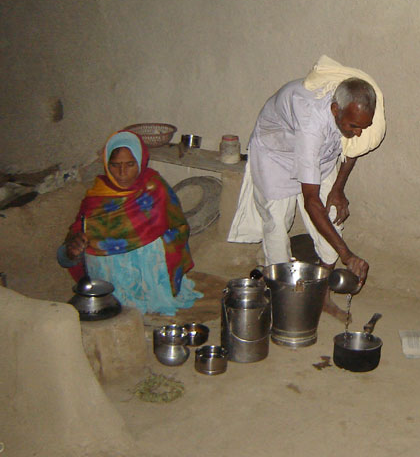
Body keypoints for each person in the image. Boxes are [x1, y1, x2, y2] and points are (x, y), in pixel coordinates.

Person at [227, 55, 386, 321]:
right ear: (335, 110)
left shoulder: (363, 113)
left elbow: (355, 147)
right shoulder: (311, 123)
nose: (359, 132)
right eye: (353, 126)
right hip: (276, 152)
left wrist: (338, 189)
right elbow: (311, 202)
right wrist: (348, 255)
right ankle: (282, 299)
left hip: (318, 153)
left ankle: (322, 297)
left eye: (363, 127)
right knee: (277, 223)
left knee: (332, 218)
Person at [57, 130, 202, 316]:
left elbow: (179, 227)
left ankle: (147, 295)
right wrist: (73, 250)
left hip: (152, 283)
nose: (122, 173)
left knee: (153, 244)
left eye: (130, 164)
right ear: (106, 164)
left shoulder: (154, 187)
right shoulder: (97, 197)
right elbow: (68, 248)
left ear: (140, 161)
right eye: (115, 165)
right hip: (109, 288)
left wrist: (149, 245)